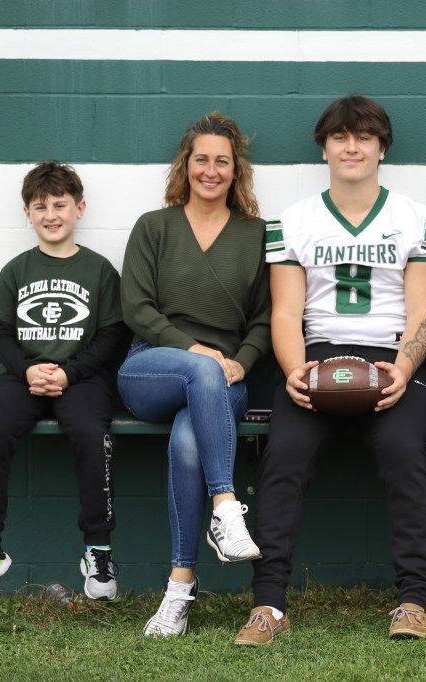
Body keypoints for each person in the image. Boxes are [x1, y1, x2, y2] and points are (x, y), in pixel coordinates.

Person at [234, 96, 426, 645]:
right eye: (340, 137)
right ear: (324, 148)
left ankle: (413, 601)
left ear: (382, 148)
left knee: (404, 453)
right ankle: (268, 605)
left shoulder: (419, 218)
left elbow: (423, 313)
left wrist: (402, 369)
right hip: (319, 357)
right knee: (282, 458)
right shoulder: (292, 221)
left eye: (364, 137)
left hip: (393, 356)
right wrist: (294, 371)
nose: (352, 147)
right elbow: (286, 314)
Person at [117, 113, 271, 637]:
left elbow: (264, 317)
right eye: (201, 159)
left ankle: (179, 588)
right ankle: (226, 505)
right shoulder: (154, 227)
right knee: (200, 369)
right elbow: (137, 308)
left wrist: (243, 359)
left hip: (225, 376)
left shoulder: (255, 234)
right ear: (185, 165)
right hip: (151, 367)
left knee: (187, 444)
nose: (211, 170)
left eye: (221, 161)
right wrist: (197, 349)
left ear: (236, 170)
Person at [0, 161, 130, 602]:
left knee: (92, 435)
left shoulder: (99, 270)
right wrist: (26, 370)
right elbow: (0, 333)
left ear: (80, 208)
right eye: (41, 207)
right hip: (23, 377)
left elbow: (112, 335)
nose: (51, 215)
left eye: (60, 205)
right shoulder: (17, 269)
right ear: (27, 213)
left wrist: (69, 373)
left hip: (82, 378)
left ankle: (98, 550)